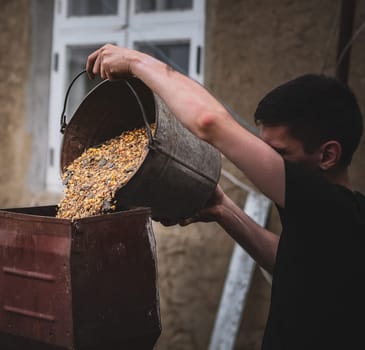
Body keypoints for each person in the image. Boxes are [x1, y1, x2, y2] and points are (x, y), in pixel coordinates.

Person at [86, 44, 365, 349]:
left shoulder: (328, 206)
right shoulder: (343, 216)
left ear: (328, 155)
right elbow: (296, 263)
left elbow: (209, 122)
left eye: (280, 154)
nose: (267, 162)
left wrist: (134, 60)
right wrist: (224, 209)